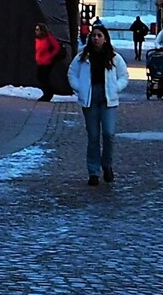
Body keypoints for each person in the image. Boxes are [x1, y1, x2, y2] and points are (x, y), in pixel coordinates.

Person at [69, 24, 130, 186]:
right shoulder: (83, 57)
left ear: (105, 38)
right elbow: (72, 73)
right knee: (93, 136)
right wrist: (80, 88)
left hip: (108, 99)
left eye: (99, 35)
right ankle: (93, 171)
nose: (96, 38)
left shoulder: (114, 57)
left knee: (109, 134)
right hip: (90, 99)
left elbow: (124, 76)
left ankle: (107, 164)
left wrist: (116, 87)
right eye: (93, 35)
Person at [32, 23, 64, 101]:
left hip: (47, 62)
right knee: (40, 78)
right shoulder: (38, 39)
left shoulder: (48, 37)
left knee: (44, 78)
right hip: (40, 61)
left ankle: (48, 94)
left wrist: (50, 56)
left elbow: (57, 47)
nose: (36, 31)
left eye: (37, 29)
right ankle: (48, 93)